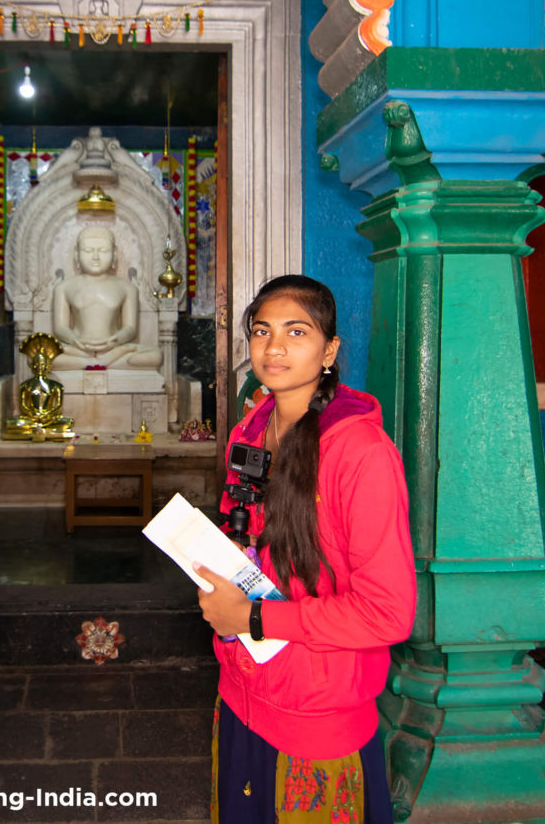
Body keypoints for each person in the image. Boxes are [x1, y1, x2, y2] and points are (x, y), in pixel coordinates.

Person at [194, 274, 415, 824]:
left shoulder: (360, 454)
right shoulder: (251, 432)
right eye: (262, 331)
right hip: (242, 691)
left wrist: (255, 617)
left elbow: (389, 614)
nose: (274, 347)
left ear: (330, 350)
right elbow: (247, 540)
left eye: (297, 331)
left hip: (317, 713)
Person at [50, 226, 162, 370]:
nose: (95, 257)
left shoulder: (127, 288)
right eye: (88, 251)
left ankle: (94, 363)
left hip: (113, 349)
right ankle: (97, 363)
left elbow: (130, 328)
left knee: (155, 355)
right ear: (77, 255)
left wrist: (116, 340)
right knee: (38, 357)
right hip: (78, 349)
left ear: (114, 255)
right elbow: (60, 327)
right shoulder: (64, 287)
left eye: (103, 251)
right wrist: (74, 339)